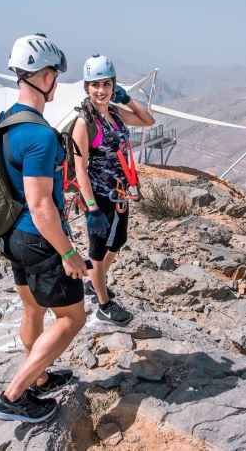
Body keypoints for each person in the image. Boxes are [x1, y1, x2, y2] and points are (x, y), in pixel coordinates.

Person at [0, 34, 88, 423]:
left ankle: (42, 378)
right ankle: (14, 396)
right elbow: (40, 203)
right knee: (71, 318)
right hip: (38, 237)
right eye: (55, 75)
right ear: (44, 76)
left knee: (32, 307)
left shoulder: (6, 121)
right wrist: (68, 252)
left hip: (11, 235)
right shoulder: (40, 135)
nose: (56, 83)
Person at [72, 55, 155, 326]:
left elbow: (147, 121)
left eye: (106, 84)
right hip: (97, 197)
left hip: (119, 193)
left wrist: (127, 99)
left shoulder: (116, 115)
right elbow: (80, 169)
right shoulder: (85, 123)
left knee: (117, 242)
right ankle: (104, 305)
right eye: (95, 85)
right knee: (97, 252)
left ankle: (95, 283)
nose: (101, 91)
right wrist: (92, 208)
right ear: (87, 87)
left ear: (113, 85)